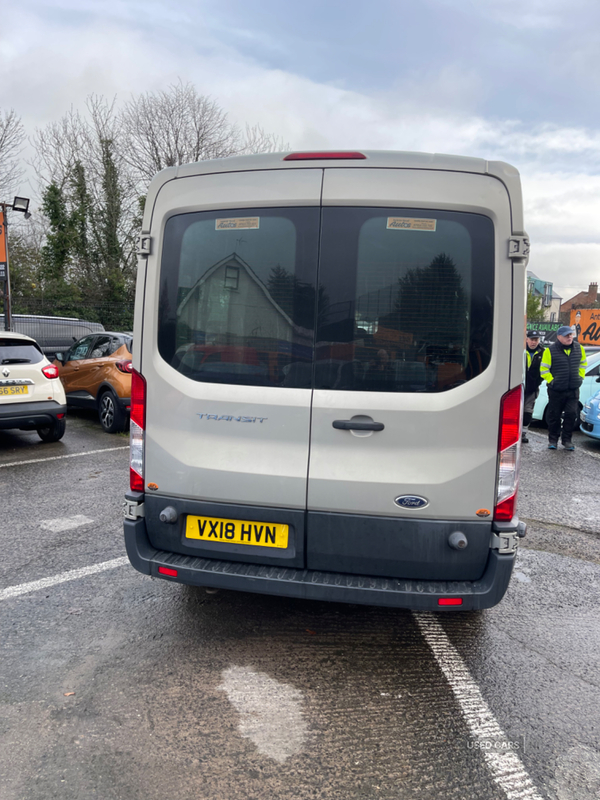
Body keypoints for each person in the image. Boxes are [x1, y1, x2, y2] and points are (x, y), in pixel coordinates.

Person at [540, 326, 587, 450]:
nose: (569, 337)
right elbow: (544, 369)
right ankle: (553, 440)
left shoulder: (579, 348)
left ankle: (567, 440)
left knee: (571, 414)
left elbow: (583, 364)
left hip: (573, 389)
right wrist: (552, 381)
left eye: (570, 335)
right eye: (566, 335)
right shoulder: (549, 350)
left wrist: (580, 377)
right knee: (554, 415)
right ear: (559, 337)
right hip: (556, 390)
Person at [522, 330, 544, 443]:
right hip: (518, 387)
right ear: (527, 339)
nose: (534, 342)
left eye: (536, 340)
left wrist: (538, 382)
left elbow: (546, 369)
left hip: (532, 389)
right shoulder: (520, 350)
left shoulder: (543, 352)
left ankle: (523, 433)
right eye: (532, 339)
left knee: (527, 413)